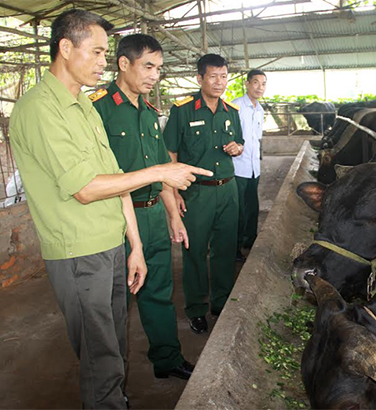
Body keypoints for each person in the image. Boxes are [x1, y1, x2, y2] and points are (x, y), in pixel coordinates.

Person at [9, 10, 211, 408]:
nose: (104, 61)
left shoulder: (83, 107)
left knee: (114, 344)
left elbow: (115, 176)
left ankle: (118, 395)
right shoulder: (41, 109)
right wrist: (160, 171)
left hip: (114, 242)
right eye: (98, 52)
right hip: (78, 250)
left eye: (106, 52)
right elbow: (86, 188)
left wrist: (134, 244)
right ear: (66, 48)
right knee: (101, 355)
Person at [92, 34, 194, 380]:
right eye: (148, 66)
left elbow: (160, 168)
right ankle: (111, 380)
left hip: (151, 213)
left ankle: (167, 359)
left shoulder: (150, 113)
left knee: (160, 292)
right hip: (116, 218)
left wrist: (171, 214)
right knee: (115, 304)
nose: (155, 76)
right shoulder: (98, 109)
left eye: (159, 69)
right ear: (124, 64)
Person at [164, 54, 244, 334]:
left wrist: (238, 148)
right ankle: (196, 308)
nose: (219, 82)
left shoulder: (231, 111)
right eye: (213, 76)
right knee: (195, 251)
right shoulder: (183, 110)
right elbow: (170, 152)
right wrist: (173, 193)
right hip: (197, 193)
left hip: (228, 189)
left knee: (225, 250)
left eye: (223, 76)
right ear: (199, 79)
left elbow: (240, 141)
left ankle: (221, 302)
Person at [232, 69, 267, 261]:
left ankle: (249, 241)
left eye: (263, 83)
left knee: (253, 207)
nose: (259, 87)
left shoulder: (260, 109)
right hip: (238, 167)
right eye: (255, 82)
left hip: (254, 167)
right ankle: (235, 247)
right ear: (246, 84)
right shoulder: (236, 107)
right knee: (238, 210)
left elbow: (257, 139)